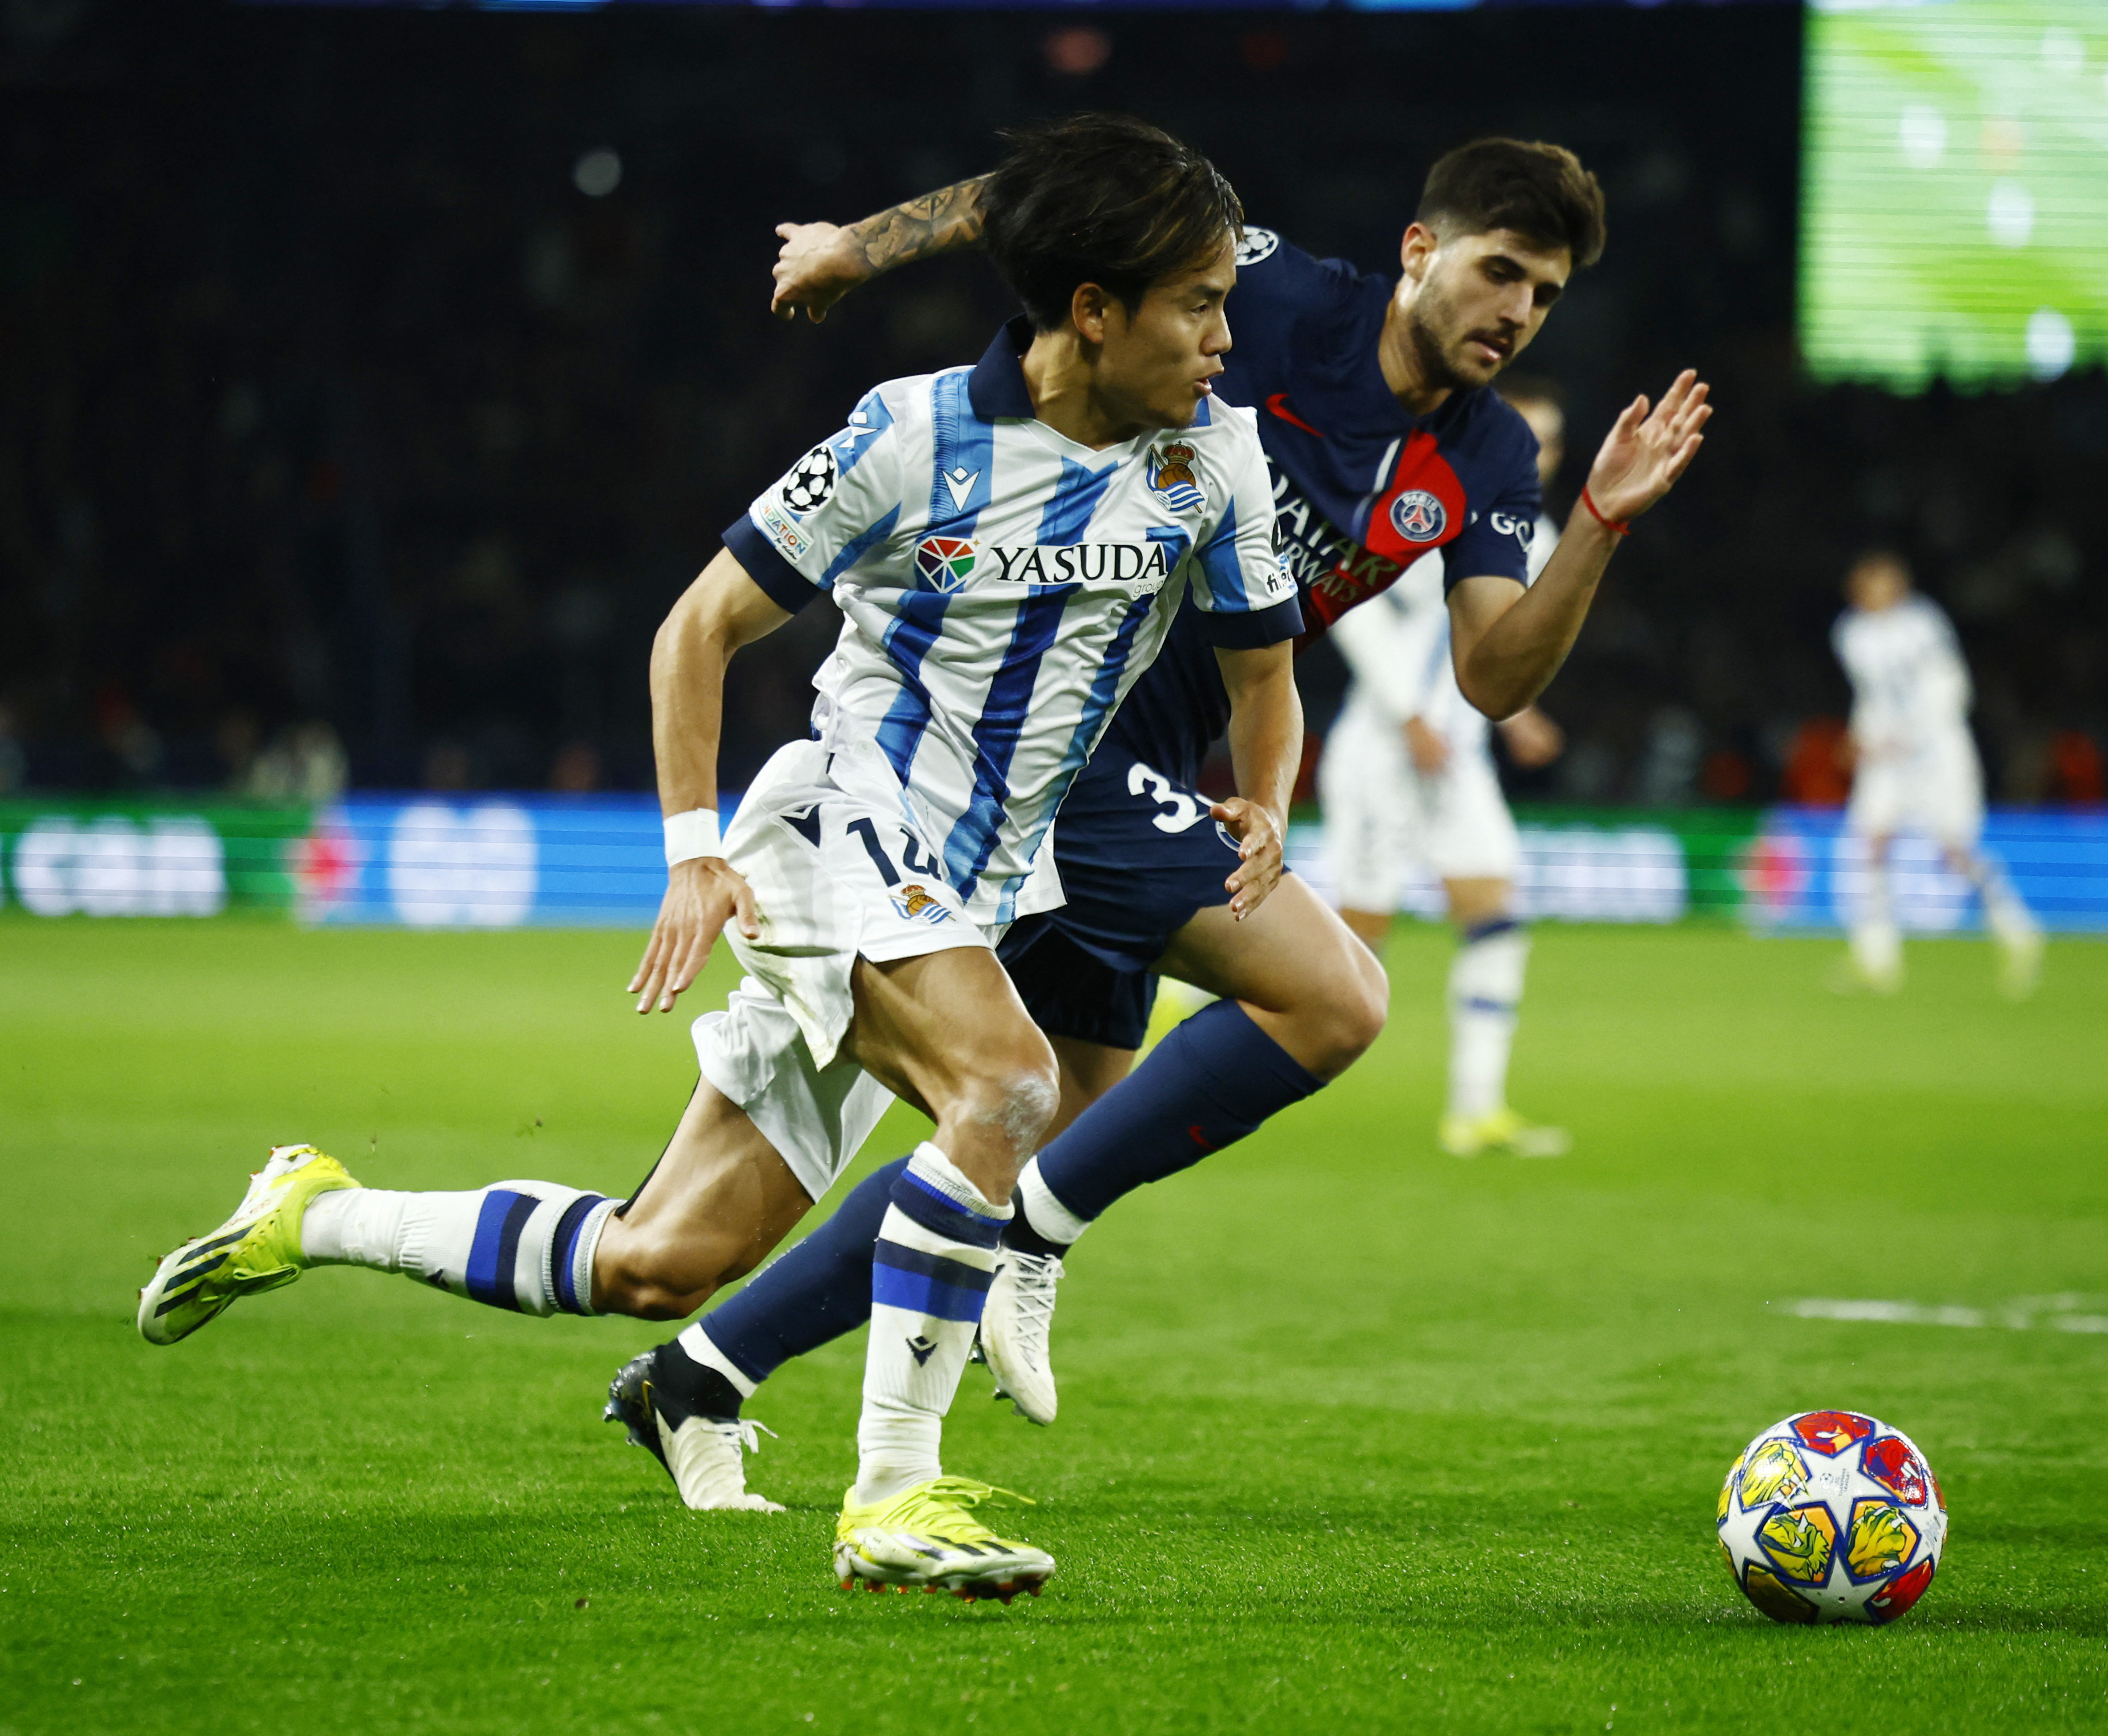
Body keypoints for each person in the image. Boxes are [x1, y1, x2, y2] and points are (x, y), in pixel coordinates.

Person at [135, 115, 1307, 1600]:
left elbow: (1263, 669)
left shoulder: (1215, 461)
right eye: (1197, 302)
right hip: (837, 838)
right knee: (1006, 1091)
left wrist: (1260, 798)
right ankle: (894, 1497)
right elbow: (698, 628)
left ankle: (318, 1209)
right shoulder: (906, 438)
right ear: (1092, 311)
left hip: (985, 885)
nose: (1224, 333)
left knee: (659, 1263)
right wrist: (692, 852)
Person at [599, 136, 1711, 1512]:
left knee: (1027, 1129)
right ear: (1422, 251)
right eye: (1499, 273)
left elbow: (1493, 674)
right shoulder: (1283, 292)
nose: (1516, 313)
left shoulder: (1482, 449)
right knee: (1334, 1000)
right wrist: (854, 249)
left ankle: (704, 1369)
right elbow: (1058, 206)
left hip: (1158, 763)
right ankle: (977, 1334)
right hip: (1064, 750)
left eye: (1543, 297)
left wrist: (1597, 517)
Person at [1318, 375, 1572, 1159]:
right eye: (1524, 436)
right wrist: (1410, 713)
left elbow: (1485, 650)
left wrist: (1518, 717)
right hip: (1383, 753)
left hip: (1455, 759)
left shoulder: (1544, 538)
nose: (1537, 455)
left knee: (1497, 920)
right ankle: (1198, 997)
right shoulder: (1422, 504)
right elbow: (1348, 602)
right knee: (1352, 952)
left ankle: (1474, 1111)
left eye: (1551, 441)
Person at [1833, 550, 2044, 997]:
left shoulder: (1923, 625)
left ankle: (2019, 933)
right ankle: (1877, 962)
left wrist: (1909, 737)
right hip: (1886, 760)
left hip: (1937, 754)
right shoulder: (1851, 634)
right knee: (1867, 846)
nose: (1874, 593)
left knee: (1955, 852)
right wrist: (1861, 737)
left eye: (1883, 582)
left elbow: (1951, 689)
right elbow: (1871, 697)